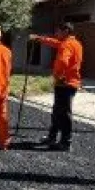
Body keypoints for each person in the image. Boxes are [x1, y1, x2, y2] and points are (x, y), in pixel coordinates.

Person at [31, 21, 83, 151]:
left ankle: (65, 142)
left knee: (63, 114)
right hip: (69, 83)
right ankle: (52, 137)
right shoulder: (73, 43)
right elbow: (54, 42)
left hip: (65, 83)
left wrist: (58, 76)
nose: (56, 33)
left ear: (66, 31)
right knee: (57, 112)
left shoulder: (67, 45)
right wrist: (39, 39)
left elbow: (63, 61)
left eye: (58, 31)